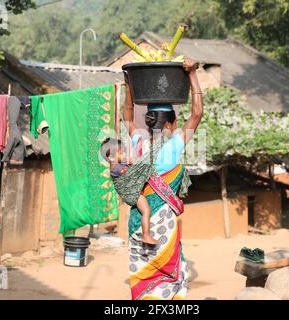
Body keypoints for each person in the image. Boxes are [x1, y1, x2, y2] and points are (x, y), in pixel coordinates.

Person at [123, 58, 203, 300]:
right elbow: (197, 113)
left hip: (138, 222)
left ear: (148, 122)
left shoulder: (137, 142)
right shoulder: (175, 144)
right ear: (170, 122)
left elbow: (127, 115)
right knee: (167, 274)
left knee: (143, 272)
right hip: (164, 224)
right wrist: (192, 74)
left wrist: (129, 84)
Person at [100, 137, 159, 245]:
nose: (124, 155)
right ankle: (146, 235)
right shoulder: (117, 168)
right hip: (133, 196)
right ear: (112, 157)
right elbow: (132, 175)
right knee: (146, 211)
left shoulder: (117, 167)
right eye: (121, 153)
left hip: (131, 194)